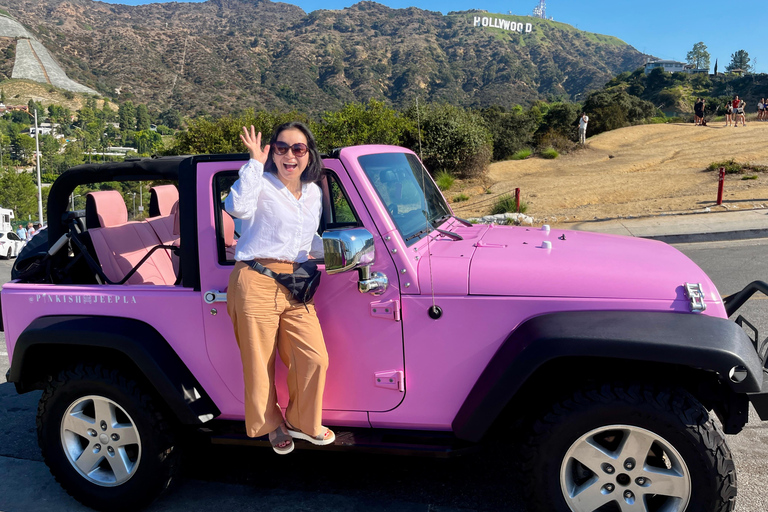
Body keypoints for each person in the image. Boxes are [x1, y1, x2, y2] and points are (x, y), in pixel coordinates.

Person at [225, 122, 333, 456]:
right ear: (273, 151)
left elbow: (305, 242)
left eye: (298, 148)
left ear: (308, 153)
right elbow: (236, 208)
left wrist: (336, 251)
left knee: (315, 358)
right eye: (281, 148)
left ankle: (302, 422)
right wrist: (255, 163)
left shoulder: (314, 192)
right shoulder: (261, 183)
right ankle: (271, 425)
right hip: (254, 278)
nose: (289, 155)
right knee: (259, 365)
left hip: (294, 282)